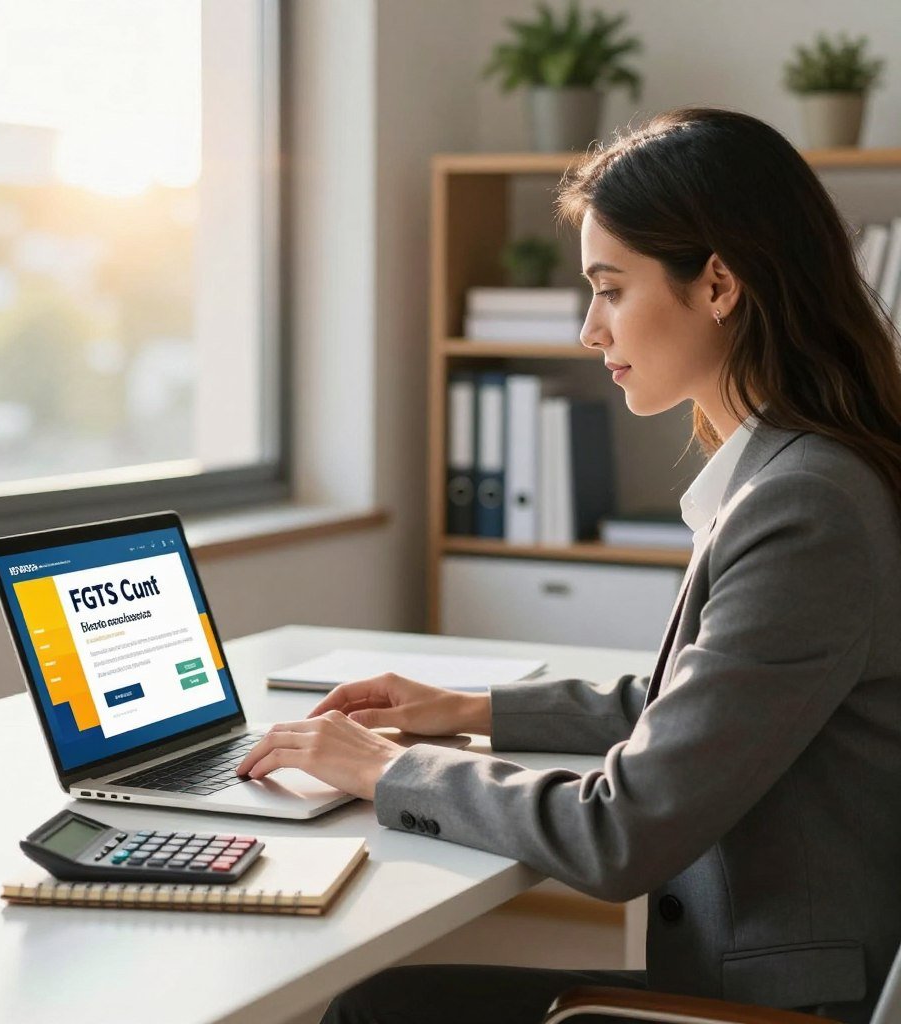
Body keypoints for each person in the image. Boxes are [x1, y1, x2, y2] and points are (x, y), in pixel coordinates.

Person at [236, 108, 901, 1024]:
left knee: (374, 1013)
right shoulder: (804, 471)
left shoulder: (805, 505)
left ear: (717, 284)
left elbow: (620, 831)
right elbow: (698, 711)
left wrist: (386, 771)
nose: (590, 329)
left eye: (610, 288)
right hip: (764, 977)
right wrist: (467, 710)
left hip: (777, 1008)